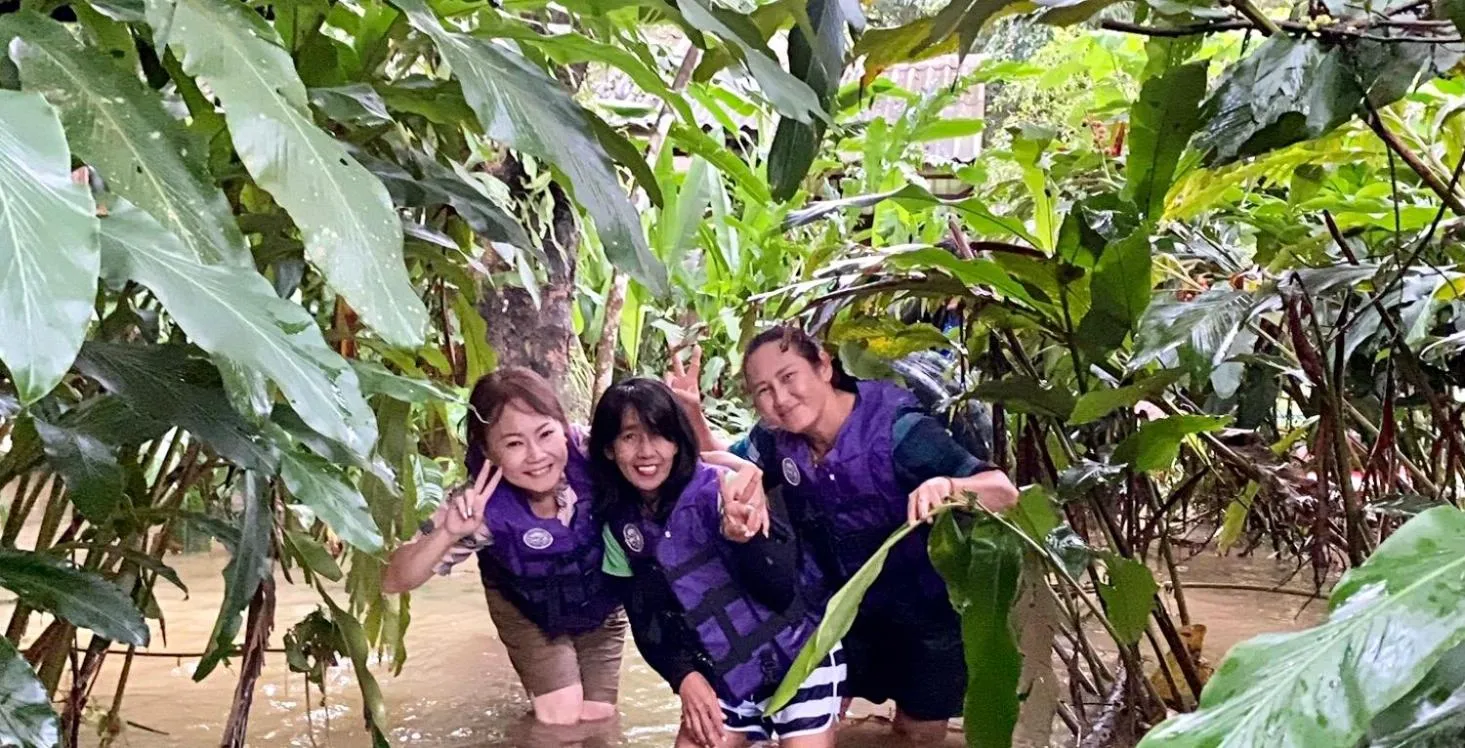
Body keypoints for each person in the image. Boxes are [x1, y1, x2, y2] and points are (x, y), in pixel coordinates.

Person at [667, 325, 1020, 742]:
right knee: (817, 719)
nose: (780, 398)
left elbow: (1003, 491)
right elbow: (729, 464)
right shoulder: (777, 440)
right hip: (840, 612)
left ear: (823, 366)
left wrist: (947, 487)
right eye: (763, 390)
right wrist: (691, 412)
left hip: (925, 614)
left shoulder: (900, 432)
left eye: (788, 377)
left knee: (917, 735)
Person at [592, 377, 844, 748]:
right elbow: (647, 620)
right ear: (609, 449)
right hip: (726, 671)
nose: (647, 451)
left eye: (659, 434)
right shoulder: (620, 526)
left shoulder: (727, 487)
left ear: (677, 441)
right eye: (629, 437)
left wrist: (745, 539)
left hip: (800, 656)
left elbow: (781, 590)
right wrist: (684, 677)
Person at [382, 367, 627, 725]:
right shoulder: (478, 506)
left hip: (599, 601)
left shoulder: (598, 454)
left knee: (598, 717)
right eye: (514, 443)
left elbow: (675, 470)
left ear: (563, 426)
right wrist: (448, 532)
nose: (536, 455)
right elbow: (392, 579)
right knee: (560, 719)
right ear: (489, 451)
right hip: (523, 604)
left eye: (545, 434)